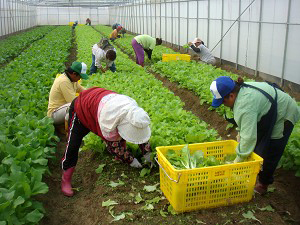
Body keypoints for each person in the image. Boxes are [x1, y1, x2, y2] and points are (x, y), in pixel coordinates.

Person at [210, 76, 300, 195]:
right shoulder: (239, 92)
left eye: (223, 102)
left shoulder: (245, 104)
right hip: (269, 110)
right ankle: (252, 172)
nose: (223, 105)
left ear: (231, 95)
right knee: (254, 146)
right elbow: (245, 128)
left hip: (284, 113)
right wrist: (240, 140)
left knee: (271, 148)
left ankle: (263, 184)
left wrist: (235, 164)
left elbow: (249, 138)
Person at [61, 87, 153, 196]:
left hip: (101, 102)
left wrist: (148, 155)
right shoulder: (108, 122)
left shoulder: (134, 112)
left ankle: (122, 157)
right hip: (82, 108)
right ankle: (66, 178)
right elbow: (114, 146)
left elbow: (140, 133)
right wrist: (131, 161)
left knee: (122, 138)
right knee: (73, 145)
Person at [47, 62, 88, 128]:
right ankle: (68, 129)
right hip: (54, 114)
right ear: (74, 74)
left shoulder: (72, 80)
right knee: (75, 105)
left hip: (62, 110)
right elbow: (72, 101)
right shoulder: (64, 81)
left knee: (79, 104)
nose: (80, 79)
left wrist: (93, 94)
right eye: (79, 77)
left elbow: (83, 90)